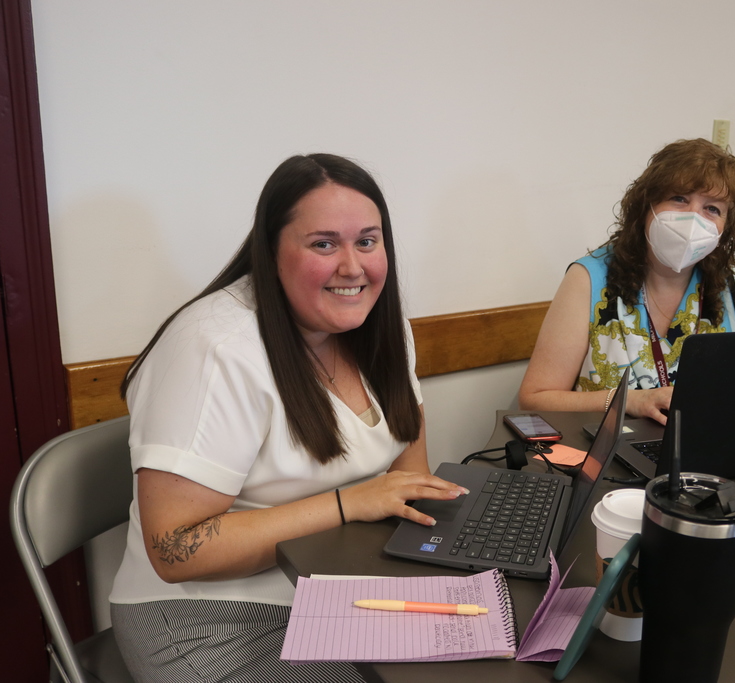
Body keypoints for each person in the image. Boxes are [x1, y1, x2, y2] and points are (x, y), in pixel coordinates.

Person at [109, 153, 467, 683]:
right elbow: (174, 551)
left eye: (367, 241)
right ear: (271, 251)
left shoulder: (380, 324)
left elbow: (407, 476)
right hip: (209, 620)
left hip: (335, 587)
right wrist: (348, 504)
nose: (353, 267)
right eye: (324, 244)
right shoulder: (214, 348)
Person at [518, 139, 735, 425]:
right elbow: (535, 397)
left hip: (704, 452)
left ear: (725, 228)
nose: (693, 218)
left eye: (712, 209)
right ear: (646, 204)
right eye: (679, 198)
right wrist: (628, 401)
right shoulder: (589, 278)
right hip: (608, 457)